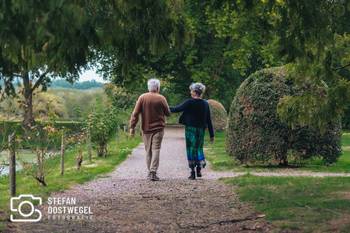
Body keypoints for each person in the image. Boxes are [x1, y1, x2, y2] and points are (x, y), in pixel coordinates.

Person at [170, 82, 214, 180]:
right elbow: (209, 120)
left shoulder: (189, 102)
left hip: (190, 129)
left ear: (194, 92)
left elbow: (177, 109)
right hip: (200, 130)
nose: (190, 92)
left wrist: (164, 107)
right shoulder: (205, 104)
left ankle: (192, 172)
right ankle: (199, 168)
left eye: (191, 90)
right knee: (198, 148)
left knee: (191, 149)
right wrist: (212, 135)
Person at [129, 78, 170, 181]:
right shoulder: (161, 98)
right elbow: (168, 113)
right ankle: (153, 172)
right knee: (156, 149)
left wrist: (132, 127)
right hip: (159, 129)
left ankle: (149, 172)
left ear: (149, 87)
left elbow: (135, 114)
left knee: (148, 151)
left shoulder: (142, 97)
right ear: (157, 87)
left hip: (146, 129)